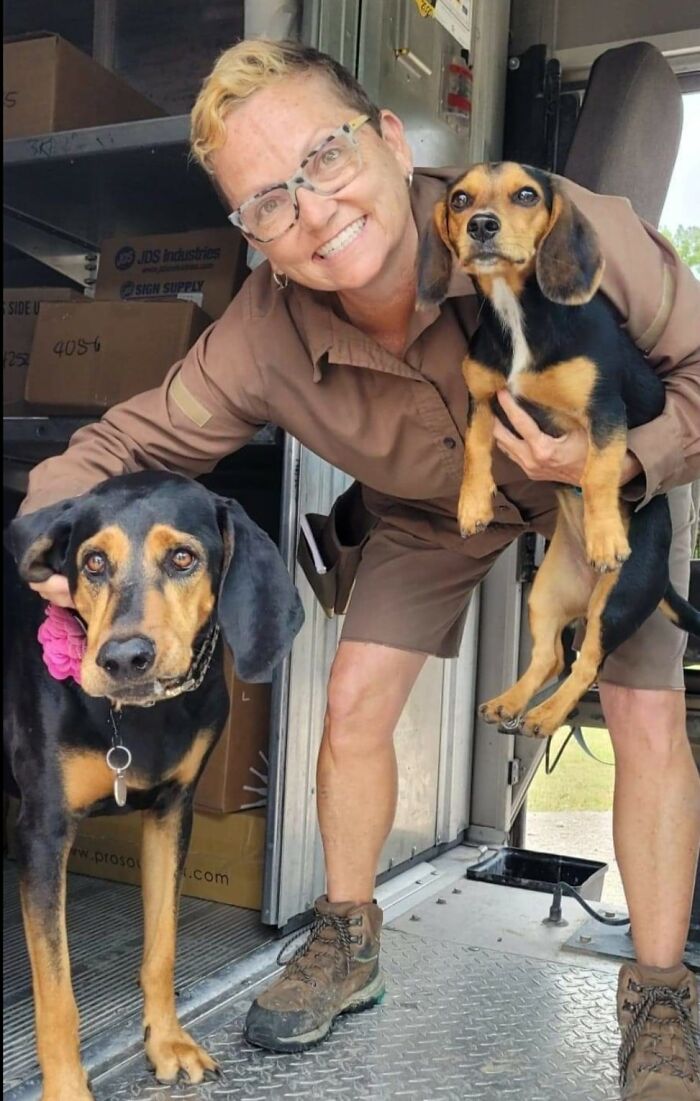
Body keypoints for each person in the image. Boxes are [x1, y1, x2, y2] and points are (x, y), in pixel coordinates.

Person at [18, 38, 700, 1099]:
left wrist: (626, 465)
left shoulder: (554, 218)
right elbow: (127, 443)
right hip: (434, 511)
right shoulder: (260, 334)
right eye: (265, 203)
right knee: (351, 702)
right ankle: (345, 939)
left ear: (389, 138)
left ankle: (659, 995)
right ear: (251, 235)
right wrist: (45, 543)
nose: (311, 210)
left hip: (609, 481)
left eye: (324, 158)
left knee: (643, 713)